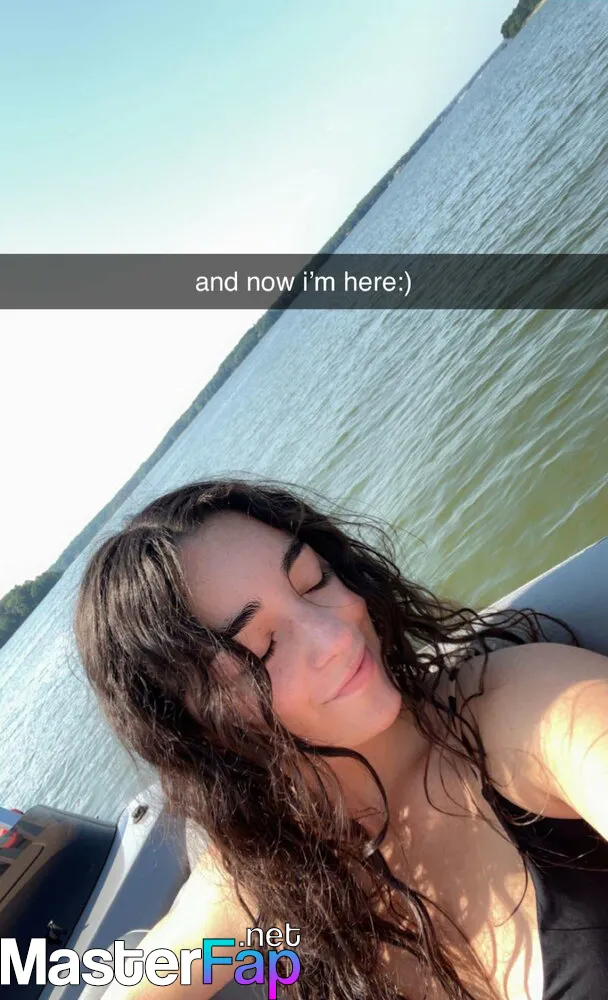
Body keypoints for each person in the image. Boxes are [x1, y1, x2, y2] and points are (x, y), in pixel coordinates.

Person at [74, 477, 608, 1000]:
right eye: (260, 649)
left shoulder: (523, 707)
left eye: (314, 582)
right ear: (197, 727)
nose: (334, 634)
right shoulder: (255, 879)